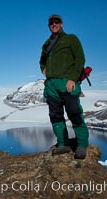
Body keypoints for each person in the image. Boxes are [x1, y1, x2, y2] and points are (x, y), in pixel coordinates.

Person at [39, 14, 89, 159]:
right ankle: (63, 144)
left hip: (67, 82)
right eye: (51, 23)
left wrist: (73, 79)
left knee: (74, 112)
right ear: (49, 25)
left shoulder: (71, 38)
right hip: (51, 85)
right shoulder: (47, 44)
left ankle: (82, 145)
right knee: (55, 116)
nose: (54, 24)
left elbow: (80, 58)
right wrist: (43, 68)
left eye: (56, 22)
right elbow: (41, 60)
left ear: (61, 24)